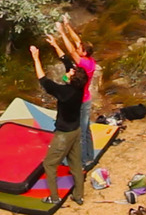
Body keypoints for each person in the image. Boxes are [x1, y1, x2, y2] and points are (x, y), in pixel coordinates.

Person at [30, 43, 87, 206]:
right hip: (76, 129)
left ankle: (54, 198)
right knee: (75, 164)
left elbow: (43, 80)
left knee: (49, 164)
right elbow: (67, 62)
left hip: (64, 134)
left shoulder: (64, 93)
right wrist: (55, 45)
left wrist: (36, 58)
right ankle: (79, 196)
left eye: (69, 73)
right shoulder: (80, 85)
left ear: (71, 79)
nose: (68, 71)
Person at [50, 15, 96, 169]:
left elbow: (71, 50)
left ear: (84, 53)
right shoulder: (90, 60)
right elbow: (77, 41)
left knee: (80, 132)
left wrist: (61, 32)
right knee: (86, 129)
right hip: (86, 99)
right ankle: (89, 156)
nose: (77, 49)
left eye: (80, 49)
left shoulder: (85, 64)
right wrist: (67, 25)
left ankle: (81, 163)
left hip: (81, 102)